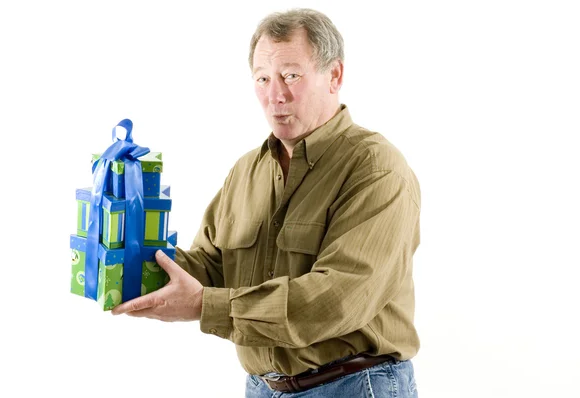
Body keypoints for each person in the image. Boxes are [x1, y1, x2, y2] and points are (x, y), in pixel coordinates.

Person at [113, 8, 421, 397]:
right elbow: (208, 267)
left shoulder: (376, 168)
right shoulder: (246, 172)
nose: (275, 95)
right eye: (263, 79)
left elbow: (336, 299)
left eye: (291, 75)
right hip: (263, 388)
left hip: (353, 385)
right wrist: (125, 258)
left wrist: (206, 306)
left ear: (335, 76)